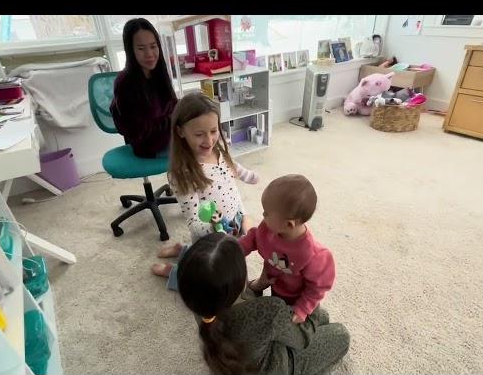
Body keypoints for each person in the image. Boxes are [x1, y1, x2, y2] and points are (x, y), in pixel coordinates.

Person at [177, 232, 350, 375]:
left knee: (319, 319)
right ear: (239, 280)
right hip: (274, 367)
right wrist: (311, 308)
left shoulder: (197, 295)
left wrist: (257, 286)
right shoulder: (270, 310)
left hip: (245, 353)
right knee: (339, 333)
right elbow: (301, 340)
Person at [151, 91, 259, 290]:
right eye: (199, 134)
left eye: (213, 131)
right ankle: (173, 271)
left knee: (230, 271)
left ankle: (182, 250)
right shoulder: (182, 174)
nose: (209, 140)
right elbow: (194, 223)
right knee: (205, 282)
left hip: (232, 227)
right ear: (181, 132)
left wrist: (244, 215)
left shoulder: (218, 151)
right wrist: (219, 228)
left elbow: (232, 183)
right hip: (209, 235)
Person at [238, 174, 335, 324]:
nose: (263, 215)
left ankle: (317, 317)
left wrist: (303, 308)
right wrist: (236, 250)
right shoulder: (268, 228)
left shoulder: (314, 256)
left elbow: (317, 288)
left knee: (293, 323)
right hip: (274, 284)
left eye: (267, 213)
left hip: (297, 297)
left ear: (288, 225)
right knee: (274, 307)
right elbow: (253, 238)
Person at [109, 18, 177, 158]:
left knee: (201, 123)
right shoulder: (124, 83)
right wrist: (174, 119)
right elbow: (139, 132)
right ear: (131, 50)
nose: (150, 54)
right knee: (195, 143)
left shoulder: (159, 74)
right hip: (147, 146)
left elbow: (173, 106)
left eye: (153, 46)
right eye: (141, 48)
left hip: (167, 135)